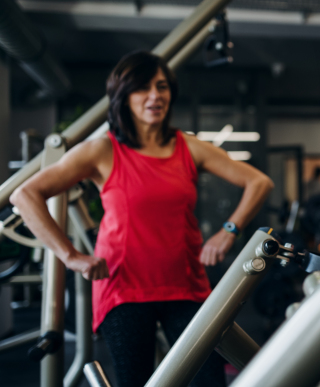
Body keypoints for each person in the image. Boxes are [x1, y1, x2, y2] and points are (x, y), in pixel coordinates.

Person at [10, 51, 274, 387]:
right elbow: (25, 195)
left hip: (186, 285)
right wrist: (70, 256)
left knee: (208, 380)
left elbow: (259, 181)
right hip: (124, 289)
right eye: (142, 88)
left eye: (162, 87)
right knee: (137, 381)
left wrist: (230, 230)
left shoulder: (189, 147)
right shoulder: (102, 151)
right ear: (124, 97)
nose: (155, 95)